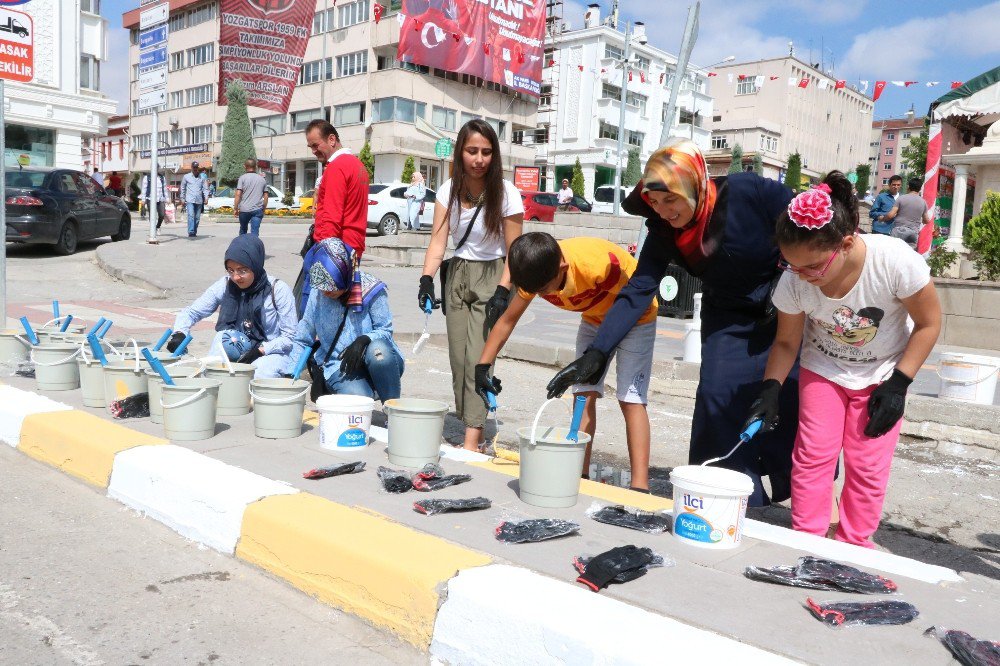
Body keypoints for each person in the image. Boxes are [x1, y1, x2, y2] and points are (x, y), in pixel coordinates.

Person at [546, 139, 796, 506]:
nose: (663, 211)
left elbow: (807, 225)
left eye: (670, 199)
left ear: (693, 184)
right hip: (727, 315)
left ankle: (798, 490)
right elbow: (638, 290)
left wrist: (789, 280)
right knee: (717, 399)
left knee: (786, 398)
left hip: (786, 303)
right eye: (655, 202)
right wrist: (598, 352)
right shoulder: (664, 231)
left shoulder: (749, 192)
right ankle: (733, 496)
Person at [742, 172, 941, 547]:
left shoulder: (894, 262)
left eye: (813, 267)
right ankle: (808, 538)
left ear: (847, 243)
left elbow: (930, 323)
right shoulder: (796, 281)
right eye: (791, 265)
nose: (803, 277)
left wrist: (899, 384)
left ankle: (854, 543)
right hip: (825, 368)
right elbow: (787, 343)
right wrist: (770, 390)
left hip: (882, 373)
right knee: (813, 455)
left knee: (867, 463)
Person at [476, 232, 657, 491]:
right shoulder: (538, 268)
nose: (539, 295)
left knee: (630, 398)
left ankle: (641, 485)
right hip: (595, 319)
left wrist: (600, 353)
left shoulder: (597, 264)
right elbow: (507, 320)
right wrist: (483, 366)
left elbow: (631, 302)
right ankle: (579, 473)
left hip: (637, 316)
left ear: (562, 267)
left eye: (543, 290)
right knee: (582, 392)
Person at [418, 119, 524, 451]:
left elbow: (515, 252)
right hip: (458, 274)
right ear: (460, 152)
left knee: (479, 359)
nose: (479, 159)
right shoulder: (449, 190)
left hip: (494, 275)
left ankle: (471, 439)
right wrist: (425, 280)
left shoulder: (507, 193)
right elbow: (438, 243)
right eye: (472, 151)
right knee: (457, 360)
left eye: (486, 152)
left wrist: (504, 291)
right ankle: (468, 420)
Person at [286, 238, 404, 401]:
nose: (327, 293)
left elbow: (385, 330)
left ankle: (392, 410)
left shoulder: (373, 289)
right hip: (339, 365)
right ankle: (364, 391)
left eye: (333, 287)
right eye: (323, 288)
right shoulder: (318, 292)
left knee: (379, 352)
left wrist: (364, 340)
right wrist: (290, 373)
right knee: (359, 400)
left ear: (346, 274)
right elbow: (303, 338)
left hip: (375, 359)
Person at [167, 234, 298, 378]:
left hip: (270, 353)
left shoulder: (277, 290)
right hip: (236, 346)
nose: (236, 277)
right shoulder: (225, 285)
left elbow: (289, 337)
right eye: (230, 270)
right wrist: (180, 333)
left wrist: (260, 350)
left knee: (258, 373)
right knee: (218, 352)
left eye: (243, 270)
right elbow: (191, 312)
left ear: (256, 265)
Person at [297, 120, 370, 312]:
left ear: (331, 139)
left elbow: (331, 217)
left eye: (315, 145)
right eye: (310, 146)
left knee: (313, 313)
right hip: (352, 248)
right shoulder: (358, 166)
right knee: (339, 313)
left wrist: (321, 255)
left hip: (333, 253)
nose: (313, 150)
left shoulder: (337, 167)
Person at [883, 177, 932, 251]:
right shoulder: (923, 202)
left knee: (894, 253)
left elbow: (890, 215)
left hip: (898, 230)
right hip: (913, 232)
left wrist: (882, 218)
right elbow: (927, 220)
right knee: (909, 255)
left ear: (908, 187)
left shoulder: (901, 198)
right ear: (920, 188)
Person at [234, 159, 269, 236]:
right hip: (257, 209)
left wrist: (235, 208)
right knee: (255, 232)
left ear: (245, 166)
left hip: (244, 209)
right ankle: (253, 247)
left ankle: (242, 246)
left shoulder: (242, 178)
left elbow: (238, 194)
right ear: (255, 167)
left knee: (243, 230)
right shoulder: (262, 179)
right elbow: (266, 196)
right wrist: (264, 208)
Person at [181, 161, 210, 238]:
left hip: (199, 200)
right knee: (191, 215)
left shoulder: (202, 177)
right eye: (194, 167)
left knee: (197, 218)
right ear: (191, 167)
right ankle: (191, 232)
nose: (195, 169)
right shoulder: (186, 177)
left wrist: (206, 198)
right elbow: (183, 188)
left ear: (198, 168)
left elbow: (205, 188)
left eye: (196, 167)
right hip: (190, 200)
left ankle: (194, 231)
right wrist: (182, 199)